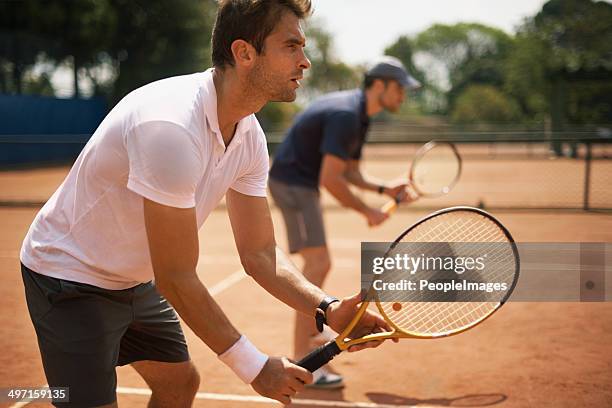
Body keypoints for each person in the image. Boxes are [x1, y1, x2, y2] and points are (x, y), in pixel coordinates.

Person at [19, 1, 393, 406]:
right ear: (244, 52)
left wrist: (328, 307)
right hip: (69, 277)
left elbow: (260, 254)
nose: (305, 62)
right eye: (291, 46)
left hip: (131, 279)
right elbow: (176, 276)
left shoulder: (248, 134)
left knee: (180, 385)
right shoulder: (171, 128)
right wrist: (254, 366)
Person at [268, 56, 421, 388]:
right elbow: (331, 179)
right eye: (399, 88)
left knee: (317, 264)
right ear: (379, 85)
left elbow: (349, 171)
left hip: (300, 182)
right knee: (317, 264)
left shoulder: (359, 115)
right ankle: (305, 361)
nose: (403, 96)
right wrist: (368, 211)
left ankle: (309, 353)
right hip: (293, 183)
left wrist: (384, 189)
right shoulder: (347, 116)